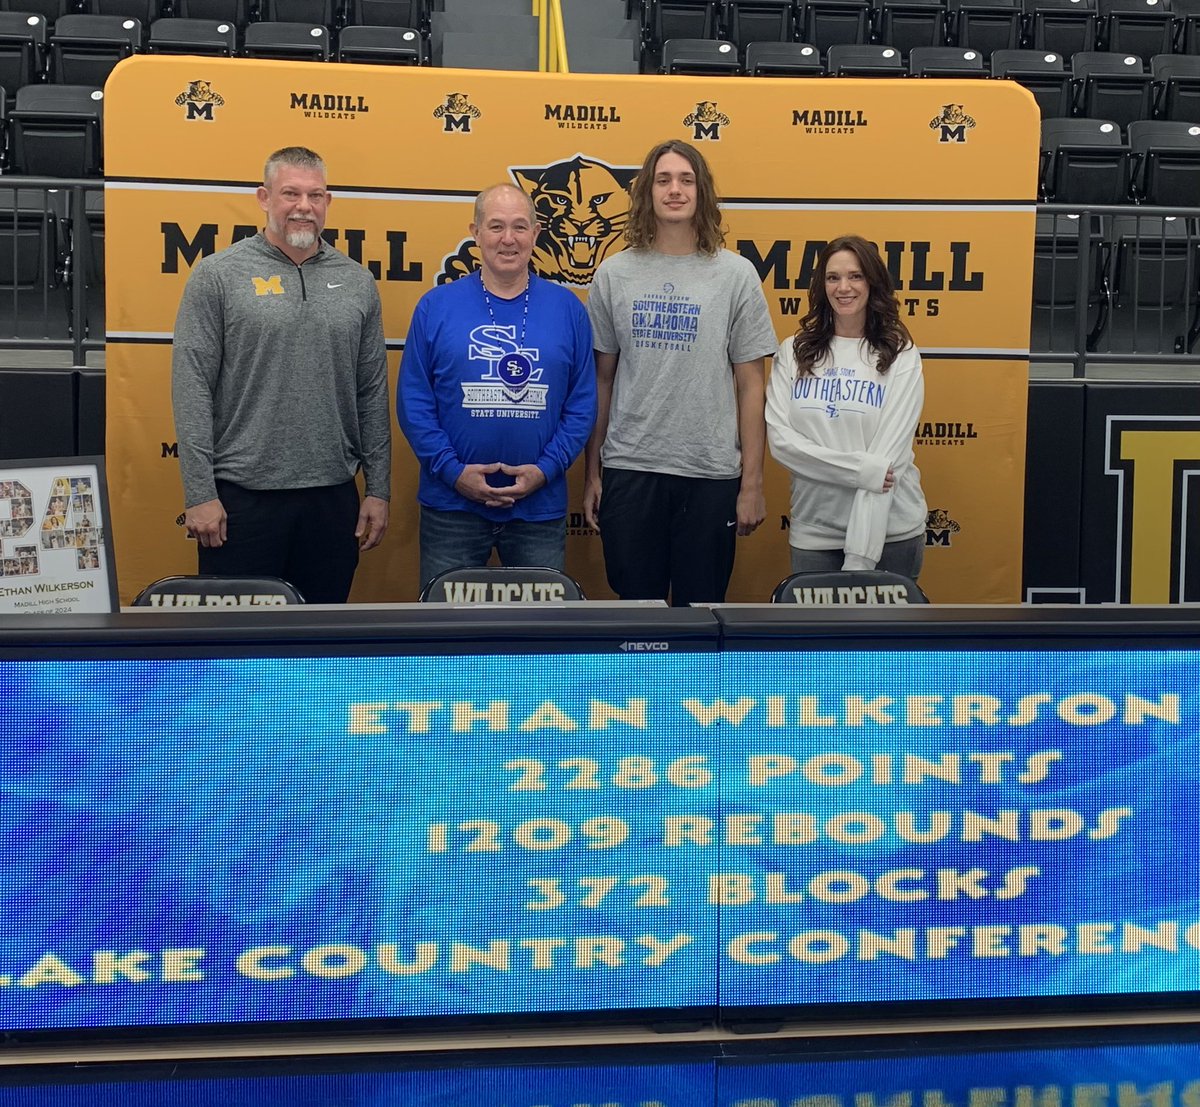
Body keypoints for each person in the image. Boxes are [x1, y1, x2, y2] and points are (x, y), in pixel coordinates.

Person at [171, 145, 391, 604]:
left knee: (317, 650)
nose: (303, 207)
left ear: (327, 202)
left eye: (315, 195)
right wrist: (199, 493)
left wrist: (378, 489)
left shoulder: (357, 282)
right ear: (264, 197)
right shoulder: (218, 275)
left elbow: (371, 392)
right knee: (233, 654)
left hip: (332, 499)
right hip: (241, 502)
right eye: (290, 193)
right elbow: (191, 388)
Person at [583, 139, 776, 607]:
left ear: (702, 192)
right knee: (637, 616)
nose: (675, 190)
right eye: (664, 180)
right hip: (631, 468)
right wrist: (593, 473)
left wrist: (751, 482)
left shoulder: (736, 274)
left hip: (710, 474)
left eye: (686, 180)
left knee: (701, 612)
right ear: (646, 191)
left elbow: (751, 385)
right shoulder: (613, 274)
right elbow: (601, 381)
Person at [397, 183, 596, 590]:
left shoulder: (568, 309)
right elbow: (414, 404)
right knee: (444, 637)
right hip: (451, 506)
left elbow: (581, 406)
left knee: (540, 643)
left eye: (520, 227)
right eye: (496, 226)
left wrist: (545, 471)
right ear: (475, 232)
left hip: (538, 509)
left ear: (537, 234)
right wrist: (454, 473)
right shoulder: (436, 306)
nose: (509, 239)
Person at [766, 235, 927, 579]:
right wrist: (861, 472)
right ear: (821, 285)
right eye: (833, 277)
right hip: (815, 532)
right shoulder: (793, 351)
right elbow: (782, 442)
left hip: (892, 533)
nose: (844, 287)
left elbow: (888, 458)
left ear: (873, 282)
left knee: (883, 635)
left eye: (855, 276)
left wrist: (860, 556)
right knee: (816, 635)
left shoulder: (902, 354)